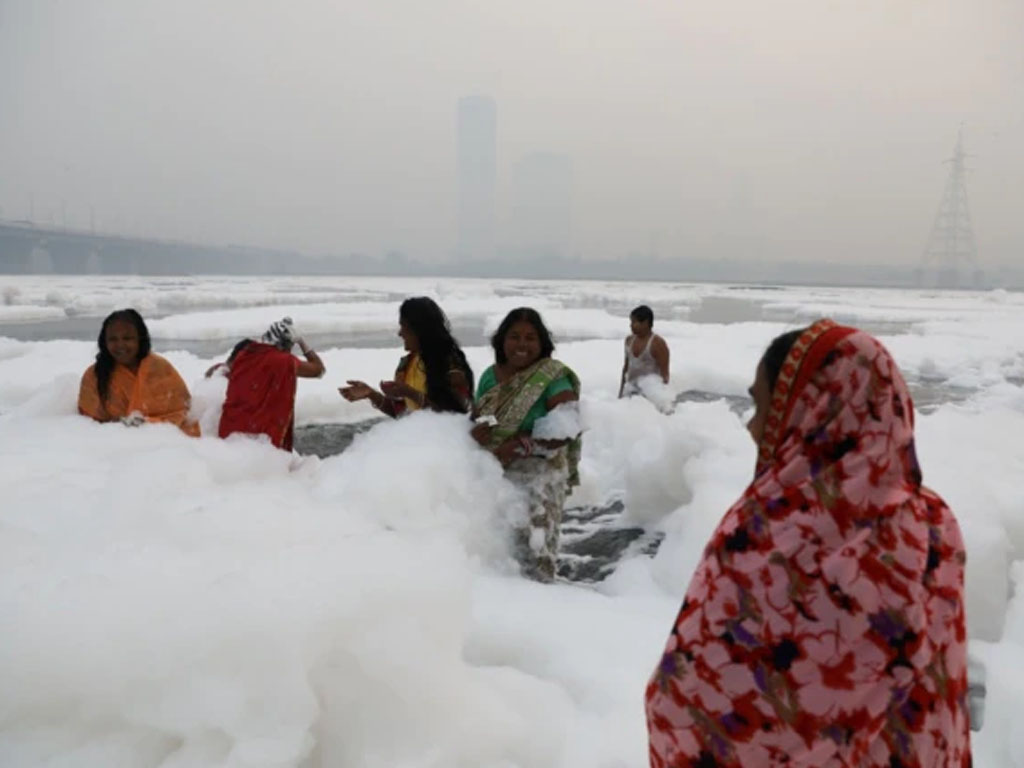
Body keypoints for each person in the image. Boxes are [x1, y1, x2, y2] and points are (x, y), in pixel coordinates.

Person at [645, 319, 971, 767]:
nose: (753, 427)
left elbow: (698, 704)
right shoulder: (933, 523)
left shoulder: (772, 535)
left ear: (809, 412)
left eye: (762, 407)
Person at [472, 307, 581, 583]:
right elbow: (481, 415)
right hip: (497, 473)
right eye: (514, 337)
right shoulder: (489, 376)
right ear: (501, 341)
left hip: (540, 478)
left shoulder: (552, 377)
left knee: (535, 554)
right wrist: (479, 432)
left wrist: (522, 447)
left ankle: (537, 612)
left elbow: (568, 426)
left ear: (542, 343)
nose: (522, 344)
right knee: (498, 546)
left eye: (530, 338)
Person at [339, 296, 473, 417]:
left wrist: (411, 393)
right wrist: (371, 394)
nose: (400, 333)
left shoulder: (450, 364)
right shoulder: (407, 364)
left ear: (419, 329)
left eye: (403, 326)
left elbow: (457, 412)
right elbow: (400, 413)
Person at [78, 308, 199, 436]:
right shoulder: (94, 376)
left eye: (127, 338)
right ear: (104, 342)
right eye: (113, 339)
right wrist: (118, 426)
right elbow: (88, 424)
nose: (120, 345)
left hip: (164, 444)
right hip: (112, 445)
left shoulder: (159, 369)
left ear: (139, 339)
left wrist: (146, 424)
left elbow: (182, 413)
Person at [211, 317, 325, 450]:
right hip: (262, 443)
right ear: (285, 344)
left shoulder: (244, 354)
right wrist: (301, 341)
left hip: (230, 435)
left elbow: (220, 370)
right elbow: (318, 370)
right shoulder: (284, 361)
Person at [619, 305, 670, 398]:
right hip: (631, 390)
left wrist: (662, 400)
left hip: (650, 393)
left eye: (634, 322)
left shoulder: (657, 344)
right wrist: (620, 394)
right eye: (631, 322)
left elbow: (665, 376)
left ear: (645, 323)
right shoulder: (629, 340)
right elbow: (626, 369)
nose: (630, 325)